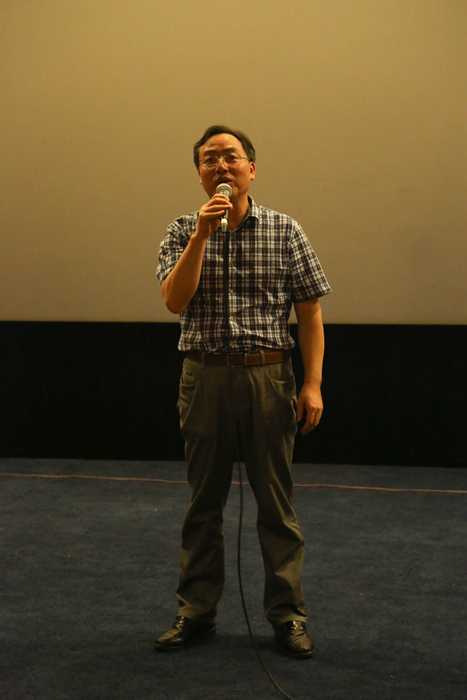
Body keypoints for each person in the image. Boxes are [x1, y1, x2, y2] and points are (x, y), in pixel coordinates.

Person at [155, 125, 331, 658]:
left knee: (276, 505)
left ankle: (288, 616)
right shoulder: (182, 230)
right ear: (200, 175)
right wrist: (201, 237)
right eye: (210, 159)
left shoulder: (285, 230)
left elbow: (309, 311)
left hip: (267, 377)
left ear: (251, 169)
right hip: (204, 376)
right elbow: (174, 300)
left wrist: (312, 383)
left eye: (231, 157)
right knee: (203, 505)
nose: (221, 166)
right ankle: (196, 611)